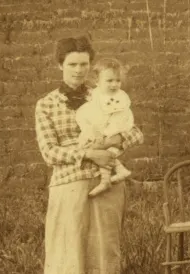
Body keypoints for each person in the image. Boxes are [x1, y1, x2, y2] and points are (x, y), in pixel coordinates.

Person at [35, 33, 144, 274]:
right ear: (60, 65)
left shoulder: (105, 94)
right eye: (72, 64)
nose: (78, 70)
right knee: (67, 254)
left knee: (104, 253)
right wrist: (89, 154)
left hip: (105, 184)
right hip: (68, 185)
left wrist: (111, 142)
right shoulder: (46, 104)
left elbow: (135, 132)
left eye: (84, 64)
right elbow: (50, 152)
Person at [74, 57, 137, 197]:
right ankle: (118, 171)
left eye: (118, 80)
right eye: (109, 81)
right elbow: (93, 114)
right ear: (97, 81)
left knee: (104, 147)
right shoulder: (96, 96)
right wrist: (96, 131)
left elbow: (121, 114)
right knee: (93, 145)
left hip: (116, 125)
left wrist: (111, 132)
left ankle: (105, 180)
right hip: (99, 126)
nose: (114, 84)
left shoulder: (121, 97)